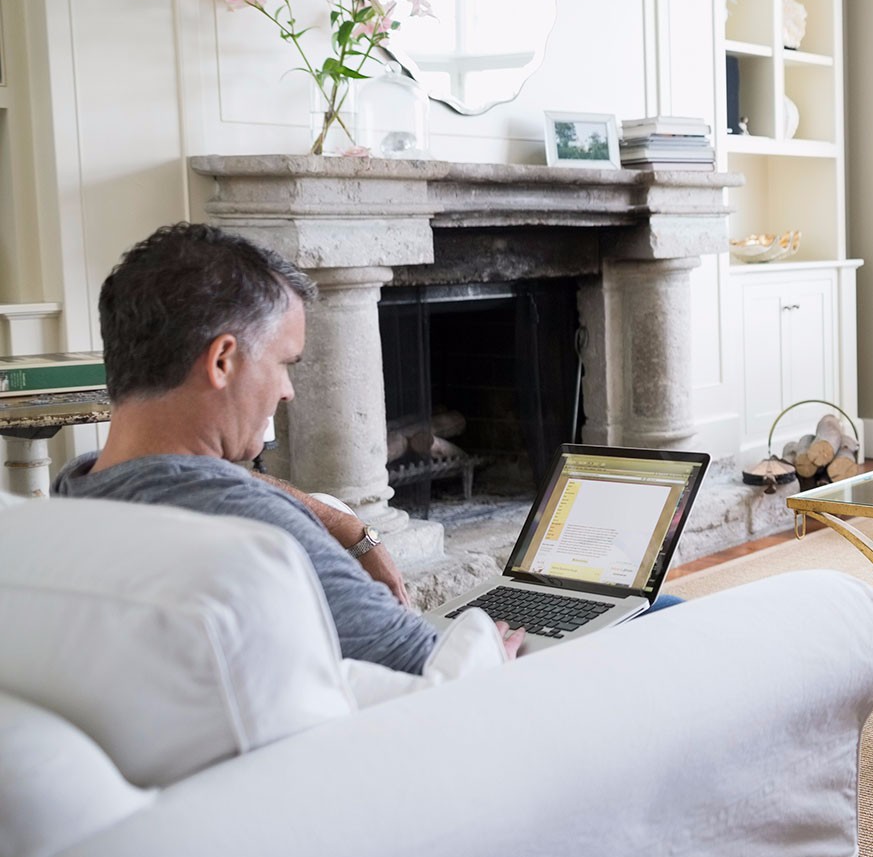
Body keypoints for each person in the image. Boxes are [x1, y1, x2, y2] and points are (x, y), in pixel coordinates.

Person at [54, 223, 524, 672]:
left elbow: (177, 472)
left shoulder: (74, 494)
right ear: (221, 361)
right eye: (284, 363)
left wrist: (341, 520)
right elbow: (438, 668)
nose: (288, 391)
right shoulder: (263, 534)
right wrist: (493, 657)